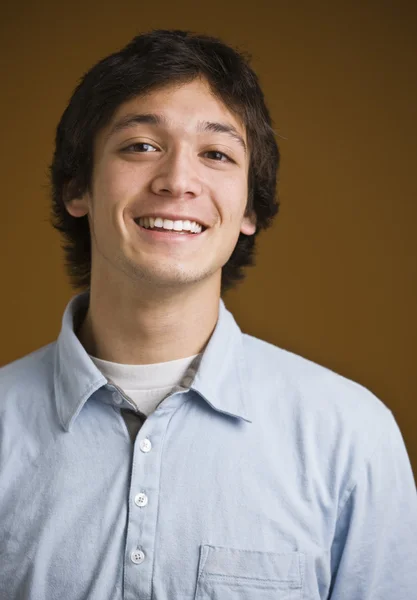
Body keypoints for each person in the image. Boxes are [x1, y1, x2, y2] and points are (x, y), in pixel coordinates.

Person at [0, 29, 416, 600]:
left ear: (249, 207)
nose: (177, 181)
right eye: (141, 145)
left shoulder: (351, 437)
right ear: (78, 187)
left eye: (216, 154)